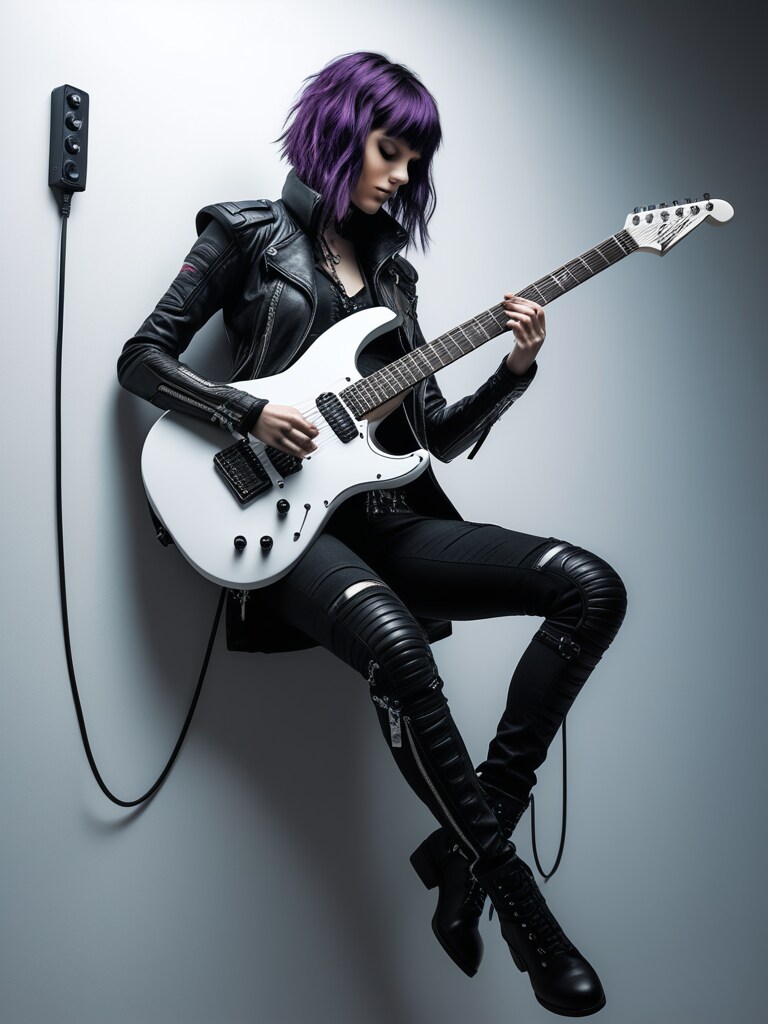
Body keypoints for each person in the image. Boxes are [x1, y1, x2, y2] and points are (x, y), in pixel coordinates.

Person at [117, 51, 627, 1017]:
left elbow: (432, 436)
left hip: (387, 519)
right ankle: (523, 912)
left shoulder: (395, 277)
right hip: (281, 527)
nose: (400, 175)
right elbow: (140, 359)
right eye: (390, 150)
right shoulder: (246, 234)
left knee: (591, 587)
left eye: (413, 163)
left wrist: (513, 371)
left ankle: (461, 856)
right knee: (397, 647)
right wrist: (247, 413)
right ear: (341, 128)